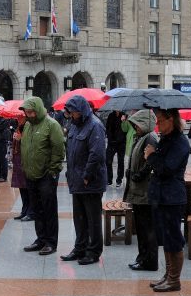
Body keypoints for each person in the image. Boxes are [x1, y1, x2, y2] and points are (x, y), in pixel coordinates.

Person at [145, 108, 190, 292]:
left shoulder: (180, 142)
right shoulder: (166, 139)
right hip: (161, 195)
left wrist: (151, 155)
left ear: (171, 120)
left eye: (161, 121)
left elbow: (167, 168)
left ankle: (174, 279)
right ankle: (168, 275)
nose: (158, 125)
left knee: (173, 238)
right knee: (165, 237)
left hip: (172, 196)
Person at [61, 95, 107, 266]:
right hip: (76, 180)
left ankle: (93, 251)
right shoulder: (74, 126)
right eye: (70, 113)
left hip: (90, 182)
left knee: (92, 219)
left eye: (73, 113)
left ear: (81, 111)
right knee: (79, 217)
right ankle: (80, 247)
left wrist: (87, 176)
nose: (71, 116)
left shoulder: (95, 126)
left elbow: (97, 155)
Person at [20, 97, 65, 255]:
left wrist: (52, 171)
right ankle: (40, 239)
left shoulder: (52, 125)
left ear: (38, 110)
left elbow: (58, 149)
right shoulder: (27, 125)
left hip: (46, 175)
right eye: (26, 112)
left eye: (31, 112)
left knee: (48, 210)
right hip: (31, 175)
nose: (29, 114)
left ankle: (51, 242)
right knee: (37, 209)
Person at [124, 109, 158, 273]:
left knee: (147, 228)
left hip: (144, 190)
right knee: (141, 227)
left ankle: (149, 260)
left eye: (137, 124)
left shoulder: (150, 137)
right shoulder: (141, 137)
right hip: (138, 190)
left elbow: (150, 161)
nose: (135, 127)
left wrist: (139, 174)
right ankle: (142, 257)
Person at [11, 119, 32, 221]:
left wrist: (21, 139)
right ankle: (24, 210)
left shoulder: (30, 125)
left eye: (21, 116)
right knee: (21, 186)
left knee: (28, 187)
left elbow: (33, 142)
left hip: (27, 160)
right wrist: (15, 137)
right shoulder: (18, 126)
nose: (18, 118)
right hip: (18, 160)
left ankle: (30, 212)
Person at [105, 111, 127, 187]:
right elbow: (107, 127)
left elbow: (126, 129)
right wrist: (109, 137)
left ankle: (119, 180)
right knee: (108, 161)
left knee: (120, 161)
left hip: (121, 142)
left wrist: (124, 121)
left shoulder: (124, 115)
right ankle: (109, 179)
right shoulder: (111, 115)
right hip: (112, 142)